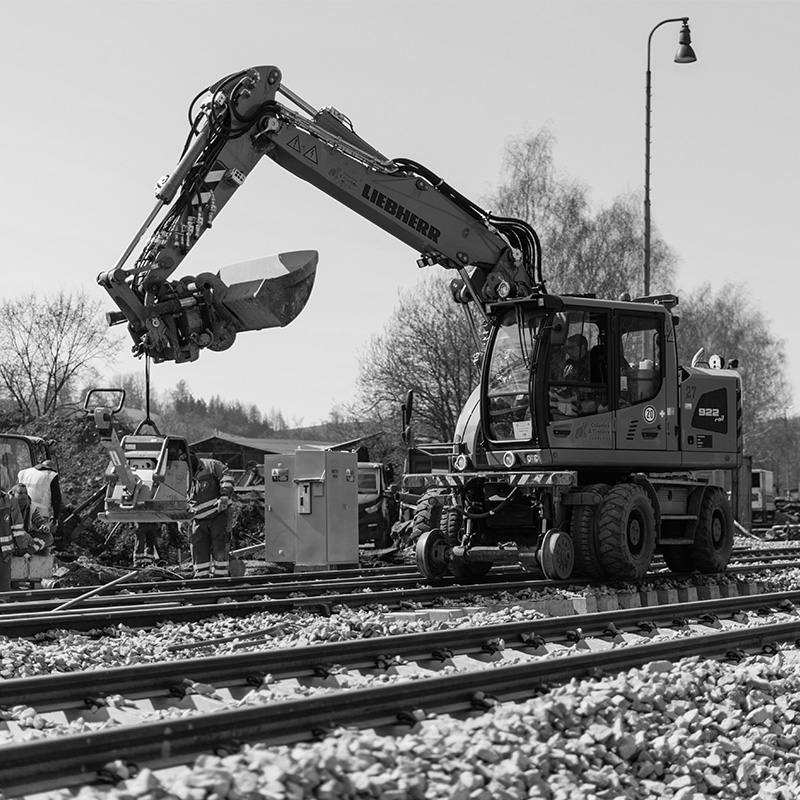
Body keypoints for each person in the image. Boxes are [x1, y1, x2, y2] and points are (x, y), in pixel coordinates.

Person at [188, 452, 235, 579]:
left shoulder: (212, 465)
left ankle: (220, 578)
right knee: (199, 548)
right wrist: (181, 519)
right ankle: (201, 579)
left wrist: (224, 496)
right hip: (197, 519)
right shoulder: (181, 472)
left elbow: (227, 479)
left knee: (219, 546)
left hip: (218, 514)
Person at [0, 484, 31, 595]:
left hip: (4, 554)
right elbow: (17, 528)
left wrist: (23, 548)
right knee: (3, 588)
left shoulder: (10, 501)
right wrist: (23, 548)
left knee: (4, 589)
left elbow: (17, 528)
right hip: (4, 554)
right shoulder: (10, 501)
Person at [17, 460, 62, 534]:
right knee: (43, 537)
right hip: (40, 514)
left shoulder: (23, 473)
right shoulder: (51, 475)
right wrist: (55, 517)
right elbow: (56, 499)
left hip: (22, 511)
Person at [9, 483, 54, 555]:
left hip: (26, 536)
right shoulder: (6, 506)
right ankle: (22, 550)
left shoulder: (31, 507)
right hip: (11, 536)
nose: (24, 496)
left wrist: (45, 526)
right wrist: (22, 533)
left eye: (25, 493)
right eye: (20, 493)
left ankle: (26, 552)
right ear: (13, 494)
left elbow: (40, 521)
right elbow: (5, 526)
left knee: (48, 537)